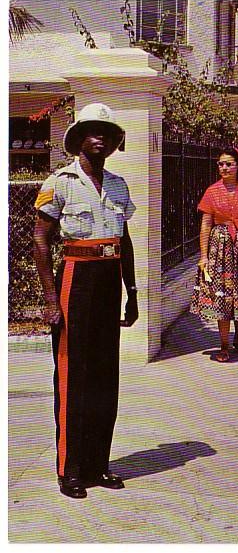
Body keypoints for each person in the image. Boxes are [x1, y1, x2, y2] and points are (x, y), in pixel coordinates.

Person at [33, 103, 138, 499]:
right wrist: (49, 299)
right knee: (73, 375)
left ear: (114, 143)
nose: (101, 139)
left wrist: (132, 291)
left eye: (107, 133)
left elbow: (123, 241)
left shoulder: (118, 185)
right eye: (93, 131)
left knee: (103, 375)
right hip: (75, 279)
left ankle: (98, 464)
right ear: (78, 139)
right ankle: (70, 469)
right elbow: (41, 239)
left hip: (109, 281)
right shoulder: (60, 182)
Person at [190, 147, 238, 362]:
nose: (223, 168)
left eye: (228, 164)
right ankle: (224, 344)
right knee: (222, 296)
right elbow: (206, 225)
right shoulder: (212, 191)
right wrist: (204, 256)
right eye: (220, 164)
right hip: (219, 248)